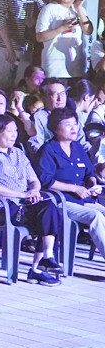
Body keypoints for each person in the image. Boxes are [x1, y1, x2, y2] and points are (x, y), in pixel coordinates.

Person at [0, 115, 63, 285]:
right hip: (1, 207)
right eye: (9, 130)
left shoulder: (18, 152)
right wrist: (22, 195)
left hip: (23, 205)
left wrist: (35, 191)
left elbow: (34, 179)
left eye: (15, 130)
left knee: (50, 208)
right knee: (46, 218)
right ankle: (37, 269)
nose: (14, 134)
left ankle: (46, 258)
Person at [37, 108, 105, 261]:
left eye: (75, 124)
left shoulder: (78, 148)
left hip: (83, 200)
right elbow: (45, 180)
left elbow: (90, 173)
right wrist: (75, 188)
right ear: (55, 128)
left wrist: (91, 185)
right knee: (95, 217)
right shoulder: (49, 150)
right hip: (61, 201)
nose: (74, 128)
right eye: (68, 125)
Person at [36, 0, 93, 79]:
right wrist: (62, 28)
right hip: (54, 67)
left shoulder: (80, 10)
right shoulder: (49, 9)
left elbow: (88, 31)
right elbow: (39, 37)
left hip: (75, 67)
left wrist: (79, 8)